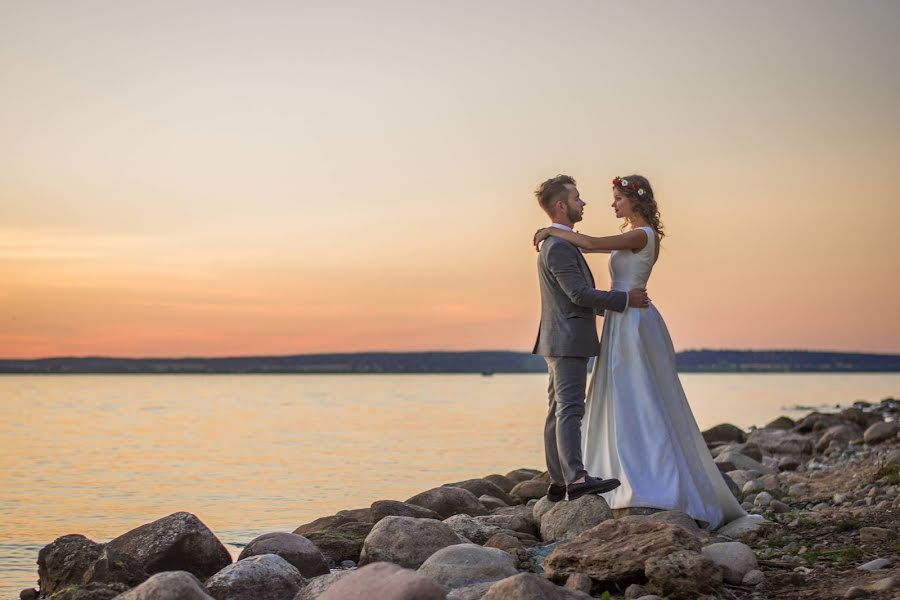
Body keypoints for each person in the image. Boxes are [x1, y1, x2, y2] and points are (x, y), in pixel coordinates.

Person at [533, 174, 745, 529]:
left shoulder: (641, 234)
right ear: (561, 205)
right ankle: (587, 476)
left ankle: (648, 479)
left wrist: (549, 230)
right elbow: (582, 274)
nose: (610, 205)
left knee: (640, 395)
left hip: (633, 319)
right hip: (620, 315)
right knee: (602, 400)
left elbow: (588, 242)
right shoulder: (573, 244)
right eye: (580, 198)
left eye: (617, 198)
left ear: (634, 199)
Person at [531, 175, 649, 502]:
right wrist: (624, 301)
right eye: (577, 198)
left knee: (558, 410)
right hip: (567, 339)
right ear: (561, 205)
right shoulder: (559, 247)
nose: (583, 203)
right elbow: (578, 294)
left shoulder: (559, 244)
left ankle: (558, 481)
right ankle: (576, 479)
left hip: (560, 338)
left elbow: (573, 294)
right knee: (569, 410)